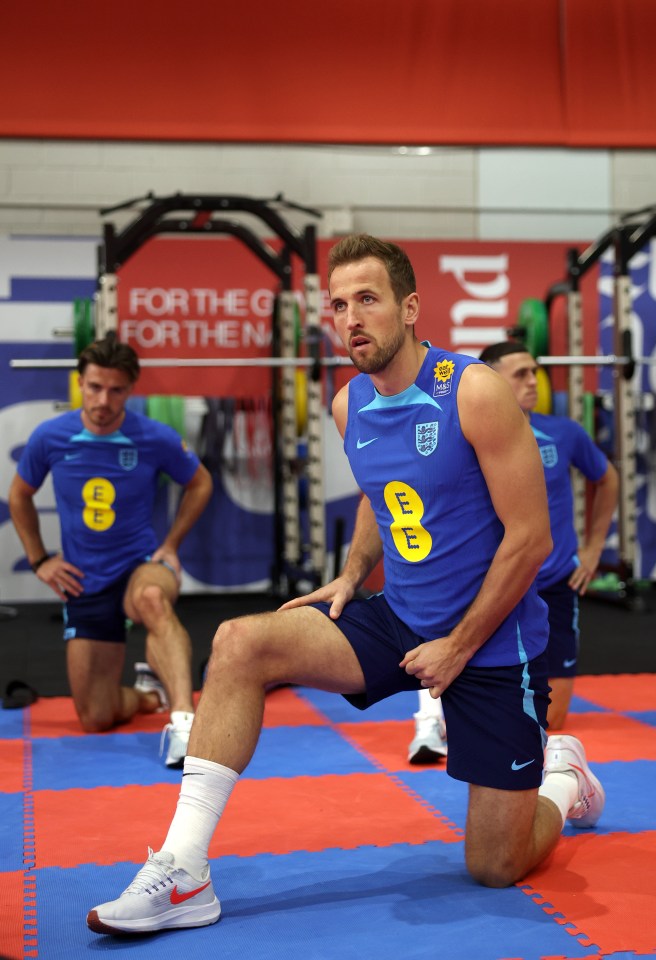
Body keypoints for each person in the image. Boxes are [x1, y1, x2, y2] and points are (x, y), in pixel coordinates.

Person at [86, 235, 605, 936]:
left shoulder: (473, 391)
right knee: (239, 642)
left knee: (493, 864)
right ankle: (184, 869)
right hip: (399, 619)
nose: (351, 317)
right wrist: (351, 574)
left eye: (368, 299)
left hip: (492, 647)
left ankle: (563, 774)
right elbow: (378, 492)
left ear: (410, 307)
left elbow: (530, 540)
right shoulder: (349, 404)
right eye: (338, 304)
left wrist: (454, 647)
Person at [8, 335, 213, 767]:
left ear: (130, 389)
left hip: (141, 566)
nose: (104, 400)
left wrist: (171, 545)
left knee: (153, 599)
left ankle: (184, 723)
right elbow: (20, 496)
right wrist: (40, 559)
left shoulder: (154, 437)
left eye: (116, 389)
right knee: (95, 717)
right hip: (84, 578)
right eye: (95, 387)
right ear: (80, 383)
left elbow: (200, 483)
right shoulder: (50, 437)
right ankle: (147, 694)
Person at [407, 341, 619, 755]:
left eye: (534, 371)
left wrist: (594, 550)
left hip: (553, 583)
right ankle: (430, 721)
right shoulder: (464, 435)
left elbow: (607, 479)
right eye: (520, 373)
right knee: (455, 674)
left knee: (552, 718)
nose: (532, 380)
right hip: (495, 585)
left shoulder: (563, 432)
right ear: (491, 380)